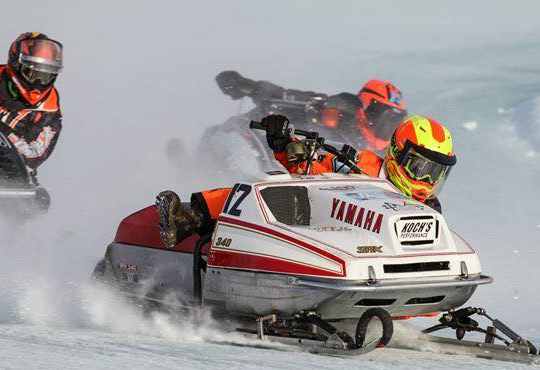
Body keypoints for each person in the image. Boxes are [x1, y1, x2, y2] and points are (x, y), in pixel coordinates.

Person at [156, 113, 456, 248]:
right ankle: (189, 216)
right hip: (330, 239)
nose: (426, 179)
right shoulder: (361, 164)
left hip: (376, 262)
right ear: (397, 154)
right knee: (273, 182)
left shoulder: (429, 208)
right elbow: (311, 165)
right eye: (420, 167)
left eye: (436, 172)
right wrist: (281, 143)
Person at [216, 71, 407, 153]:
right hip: (262, 143)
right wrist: (246, 85)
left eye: (393, 121)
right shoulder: (333, 110)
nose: (386, 127)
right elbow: (282, 95)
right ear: (365, 108)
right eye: (382, 115)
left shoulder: (388, 154)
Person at [0, 32, 63, 171]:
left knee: (39, 192)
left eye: (45, 76)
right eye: (32, 73)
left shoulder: (48, 111)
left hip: (7, 173)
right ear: (16, 64)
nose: (38, 82)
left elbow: (34, 156)